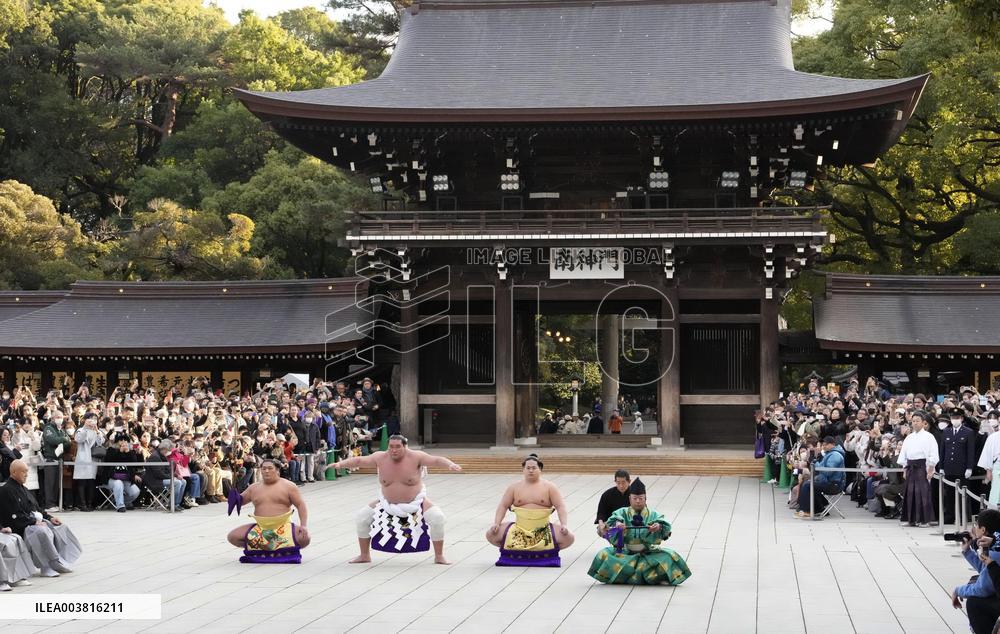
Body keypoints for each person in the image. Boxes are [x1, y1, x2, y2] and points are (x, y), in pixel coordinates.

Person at [330, 434, 460, 565]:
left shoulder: (416, 457)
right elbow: (359, 461)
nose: (394, 450)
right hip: (386, 503)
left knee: (438, 518)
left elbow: (436, 460)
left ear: (405, 446)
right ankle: (364, 555)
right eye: (391, 447)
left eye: (398, 447)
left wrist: (450, 464)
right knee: (362, 518)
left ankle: (439, 556)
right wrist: (340, 464)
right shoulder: (380, 457)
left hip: (416, 502)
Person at [587, 477, 692, 585]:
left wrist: (658, 527)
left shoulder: (653, 514)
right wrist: (617, 525)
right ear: (630, 499)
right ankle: (648, 576)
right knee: (604, 554)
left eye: (641, 498)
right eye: (635, 498)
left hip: (647, 552)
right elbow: (611, 523)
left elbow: (664, 527)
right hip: (625, 552)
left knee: (670, 556)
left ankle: (630, 576)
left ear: (645, 499)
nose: (638, 501)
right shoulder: (621, 512)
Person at [487, 454, 574, 566]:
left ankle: (539, 551)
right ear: (523, 470)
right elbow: (503, 505)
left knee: (569, 537)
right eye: (528, 468)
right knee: (491, 534)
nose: (531, 470)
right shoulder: (514, 487)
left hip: (543, 530)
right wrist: (497, 523)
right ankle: (519, 551)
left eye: (534, 468)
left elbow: (560, 506)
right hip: (519, 529)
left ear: (540, 469)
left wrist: (564, 525)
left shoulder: (550, 487)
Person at [0, 460, 81, 577]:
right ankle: (46, 566)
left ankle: (58, 560)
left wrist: (50, 518)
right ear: (14, 472)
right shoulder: (5, 490)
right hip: (20, 527)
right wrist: (34, 522)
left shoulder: (24, 489)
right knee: (40, 531)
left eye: (27, 472)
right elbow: (14, 515)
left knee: (60, 527)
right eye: (23, 472)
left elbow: (37, 509)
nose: (26, 475)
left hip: (31, 522)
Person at [226, 459, 310, 563]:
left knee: (305, 538)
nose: (266, 471)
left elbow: (300, 505)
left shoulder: (289, 486)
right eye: (264, 468)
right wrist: (233, 494)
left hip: (283, 527)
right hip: (261, 528)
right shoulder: (253, 488)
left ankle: (272, 548)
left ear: (277, 470)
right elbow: (240, 501)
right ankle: (262, 548)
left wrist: (303, 525)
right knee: (232, 537)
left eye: (270, 468)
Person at [951, 509, 1000, 634]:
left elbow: (982, 588)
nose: (973, 529)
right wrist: (967, 552)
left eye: (976, 525)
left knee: (974, 602)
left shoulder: (995, 553)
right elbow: (987, 571)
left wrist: (958, 590)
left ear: (983, 530)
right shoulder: (994, 548)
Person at [898, 411, 939, 527]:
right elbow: (904, 454)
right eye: (913, 421)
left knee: (923, 493)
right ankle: (910, 519)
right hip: (910, 466)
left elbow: (933, 454)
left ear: (923, 423)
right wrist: (904, 469)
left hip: (922, 466)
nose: (915, 423)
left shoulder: (929, 437)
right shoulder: (909, 437)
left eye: (917, 421)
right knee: (910, 493)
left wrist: (930, 469)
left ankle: (924, 520)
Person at [939, 406, 976, 525]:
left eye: (957, 417)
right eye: (953, 417)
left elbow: (970, 452)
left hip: (962, 468)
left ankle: (963, 516)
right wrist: (941, 467)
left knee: (962, 494)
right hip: (949, 468)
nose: (955, 419)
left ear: (962, 418)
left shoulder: (968, 432)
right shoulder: (946, 432)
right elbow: (942, 451)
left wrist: (969, 468)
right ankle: (950, 516)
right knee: (949, 494)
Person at [795, 436, 845, 518]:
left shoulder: (835, 455)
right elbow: (821, 468)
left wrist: (815, 463)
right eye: (823, 445)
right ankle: (818, 509)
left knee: (808, 485)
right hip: (829, 482)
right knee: (808, 483)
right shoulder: (830, 454)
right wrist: (814, 460)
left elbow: (827, 472)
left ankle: (805, 510)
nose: (823, 447)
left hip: (834, 484)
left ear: (832, 444)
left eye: (825, 445)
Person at [595, 469, 632, 536]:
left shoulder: (635, 494)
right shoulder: (607, 494)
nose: (621, 486)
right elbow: (601, 512)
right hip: (612, 523)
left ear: (629, 481)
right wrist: (601, 523)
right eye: (618, 483)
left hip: (630, 523)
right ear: (615, 481)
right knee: (600, 530)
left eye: (623, 482)